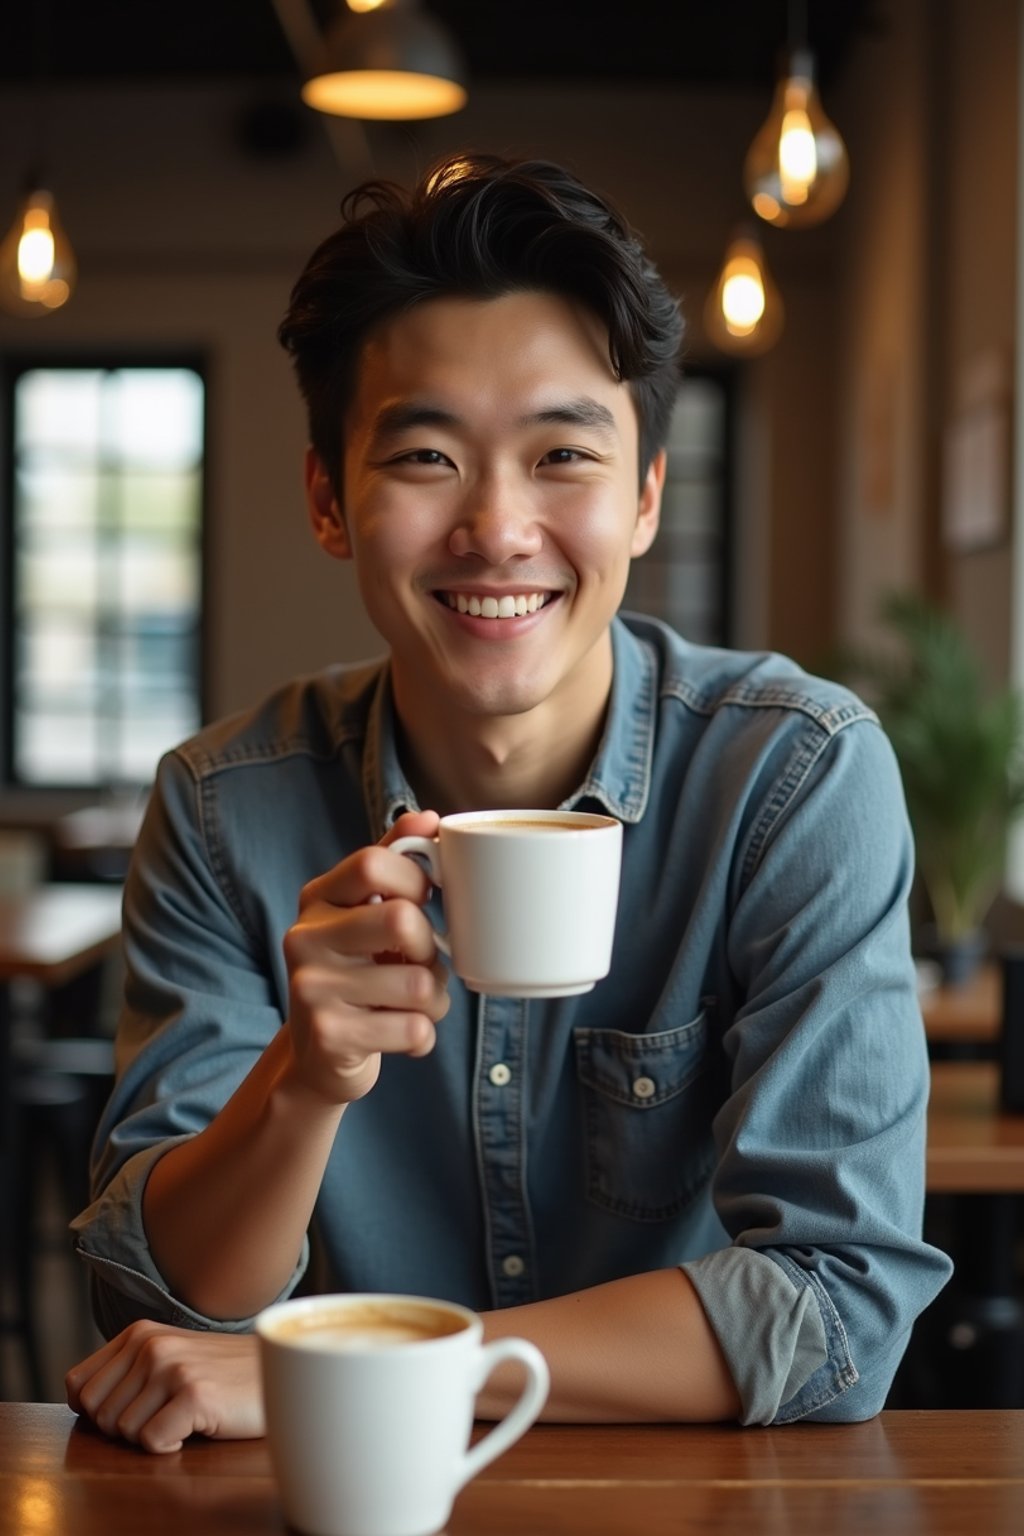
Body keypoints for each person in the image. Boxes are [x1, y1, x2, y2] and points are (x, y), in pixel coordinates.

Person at [65, 152, 950, 1453]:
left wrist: (375, 1373)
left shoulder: (791, 775)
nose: (497, 526)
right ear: (329, 499)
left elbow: (836, 1310)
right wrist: (304, 1083)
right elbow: (162, 1302)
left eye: (562, 455)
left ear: (646, 495)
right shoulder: (220, 809)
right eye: (426, 455)